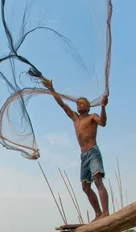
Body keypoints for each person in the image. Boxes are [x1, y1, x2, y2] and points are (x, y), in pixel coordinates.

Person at [42, 78, 110, 220]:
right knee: (85, 187)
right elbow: (62, 105)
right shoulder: (75, 118)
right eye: (77, 104)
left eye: (81, 103)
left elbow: (103, 123)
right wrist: (51, 89)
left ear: (87, 106)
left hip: (93, 152)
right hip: (83, 156)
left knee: (97, 180)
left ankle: (105, 213)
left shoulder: (92, 117)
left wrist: (103, 107)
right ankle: (98, 213)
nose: (78, 105)